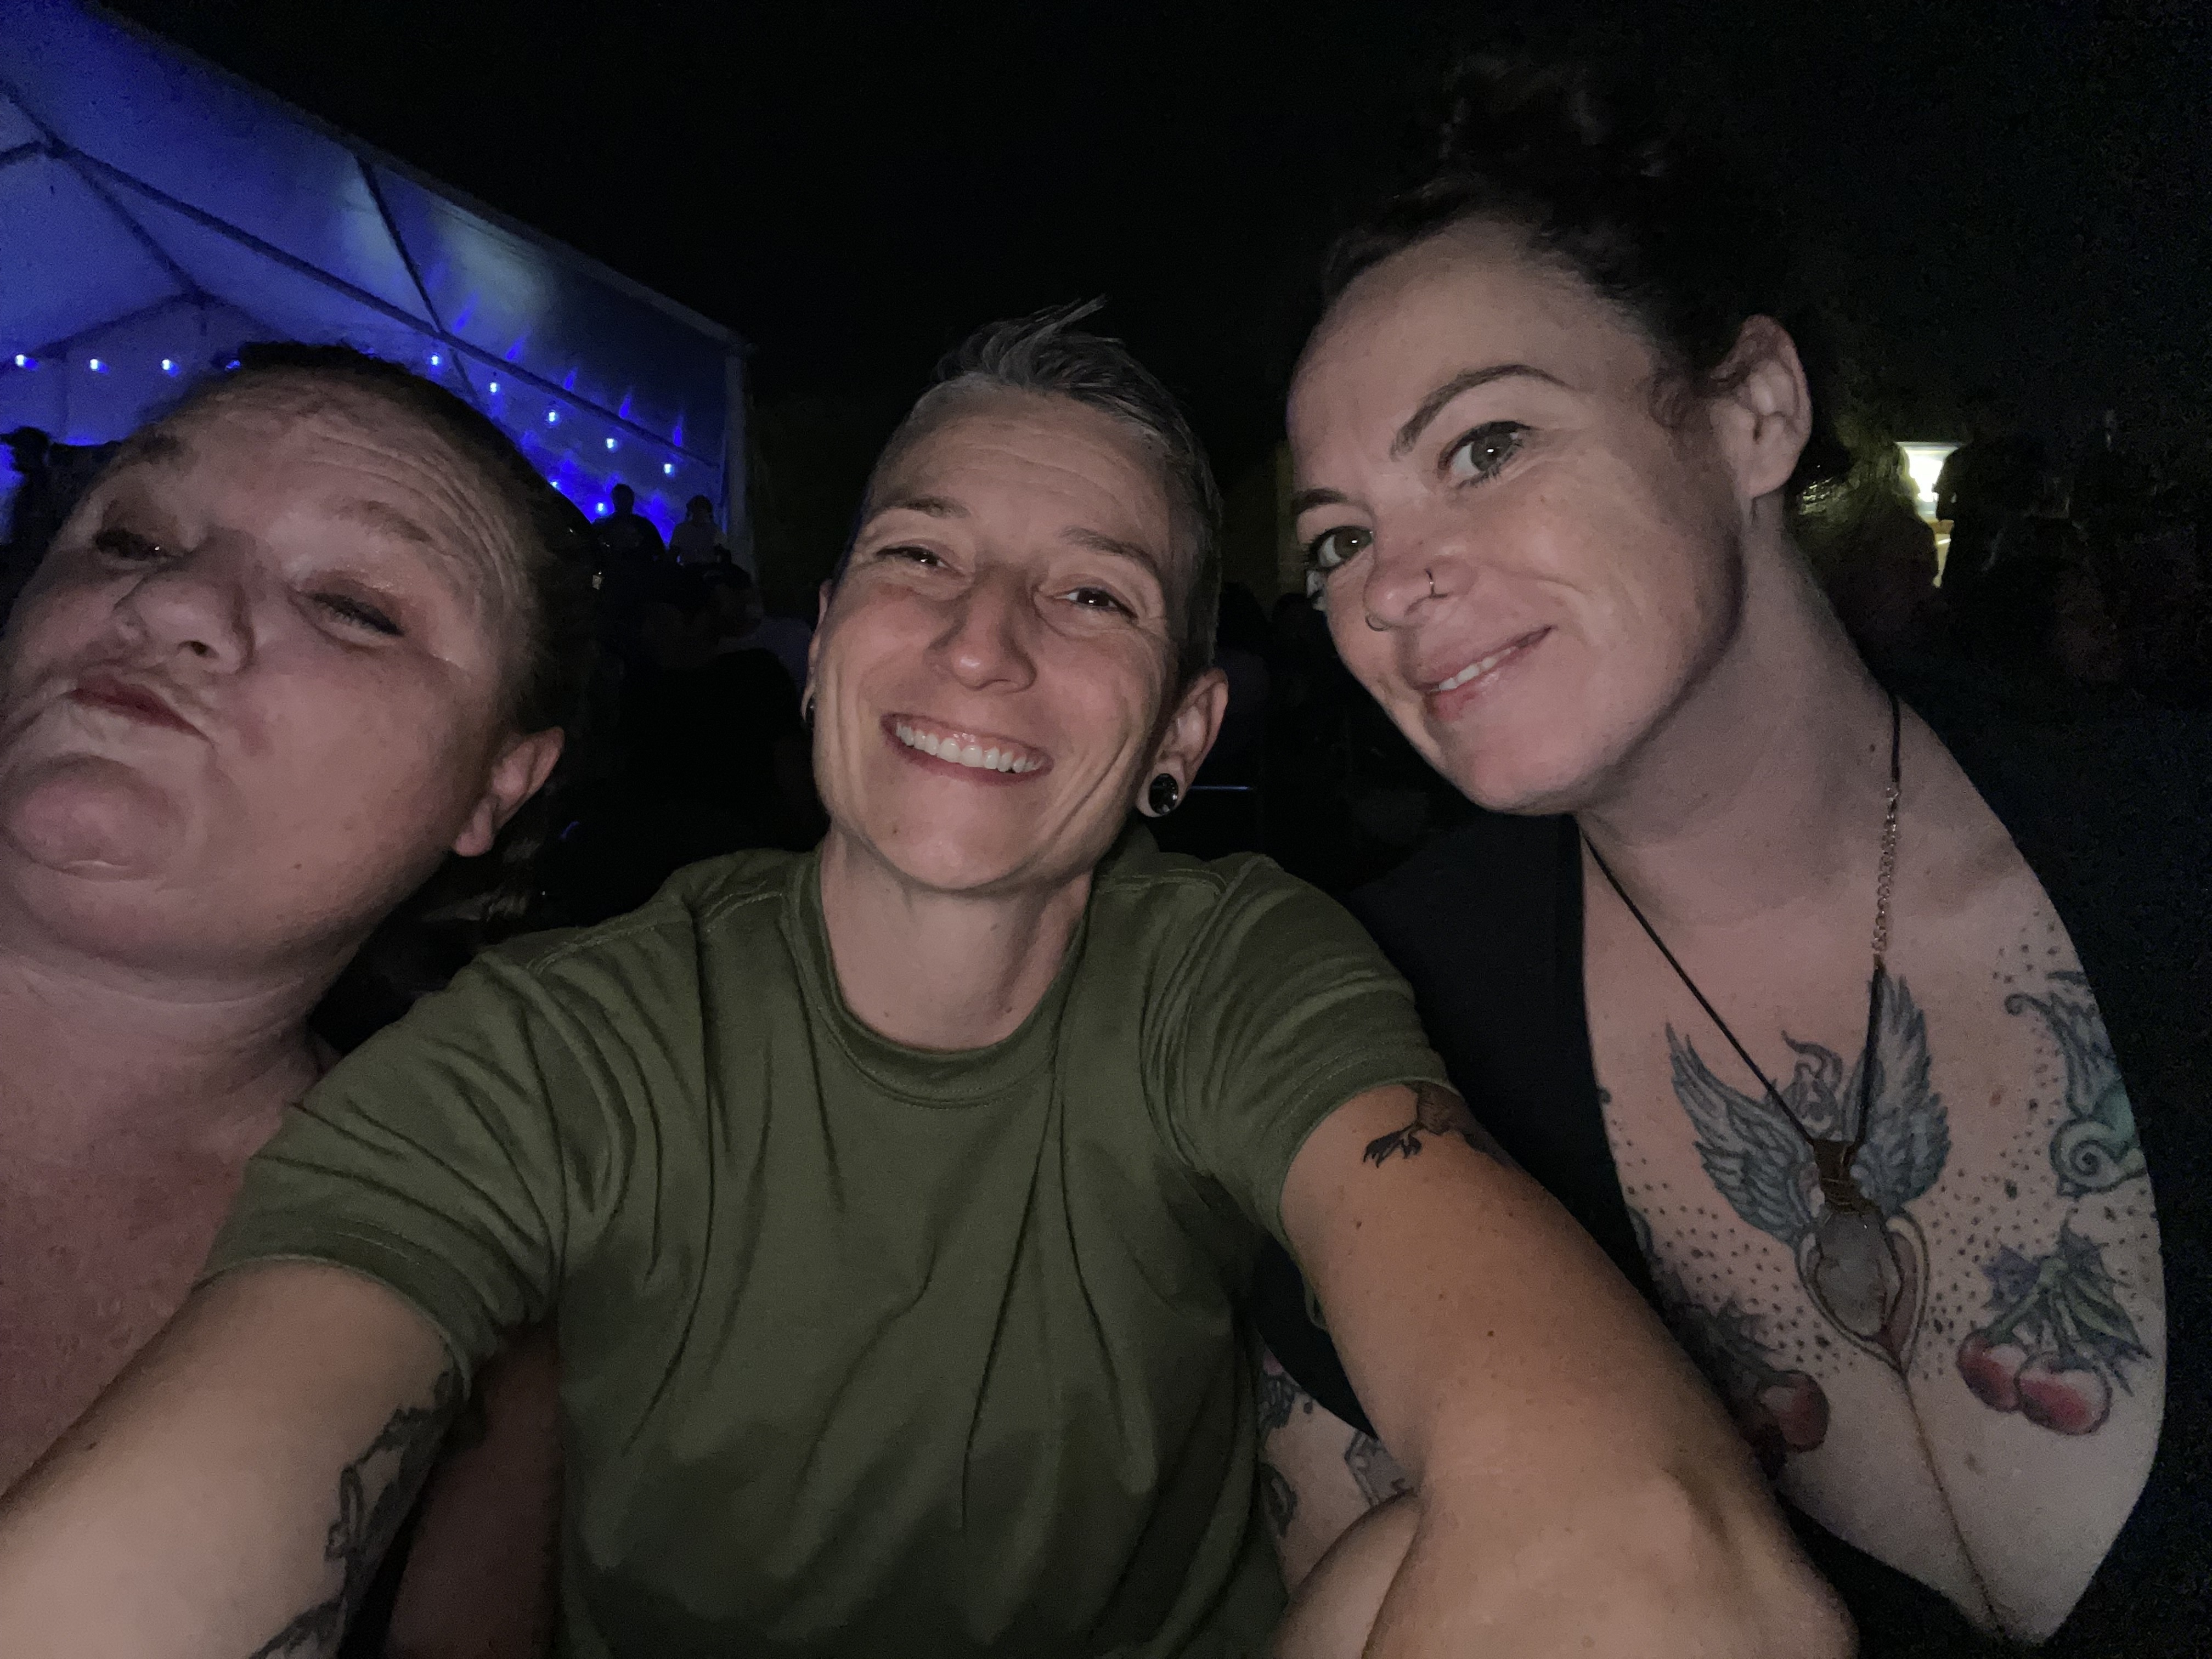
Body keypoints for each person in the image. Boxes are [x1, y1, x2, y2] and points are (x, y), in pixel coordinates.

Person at [0, 306, 1843, 1658]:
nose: (979, 640)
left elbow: (1647, 1538)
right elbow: (203, 1496)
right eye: (919, 555)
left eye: (1094, 595)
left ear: (1183, 736)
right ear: (821, 655)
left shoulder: (1231, 971)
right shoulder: (568, 1041)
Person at [1258, 52, 2203, 1657]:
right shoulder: (1376, 1028)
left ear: (1754, 410)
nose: (1390, 586)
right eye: (1338, 538)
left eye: (1485, 445)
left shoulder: (2169, 844)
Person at [0, 343, 596, 1654]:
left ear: (500, 783)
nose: (170, 602)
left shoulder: (488, 1344)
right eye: (130, 537)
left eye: (353, 605)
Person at [598, 481, 666, 565]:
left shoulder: (645, 526)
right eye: (619, 499)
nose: (622, 502)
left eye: (624, 499)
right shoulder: (645, 525)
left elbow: (660, 553)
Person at [667, 493, 724, 565]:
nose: (699, 514)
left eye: (701, 510)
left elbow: (722, 552)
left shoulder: (714, 530)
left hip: (709, 569)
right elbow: (674, 552)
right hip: (689, 569)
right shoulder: (682, 529)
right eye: (697, 510)